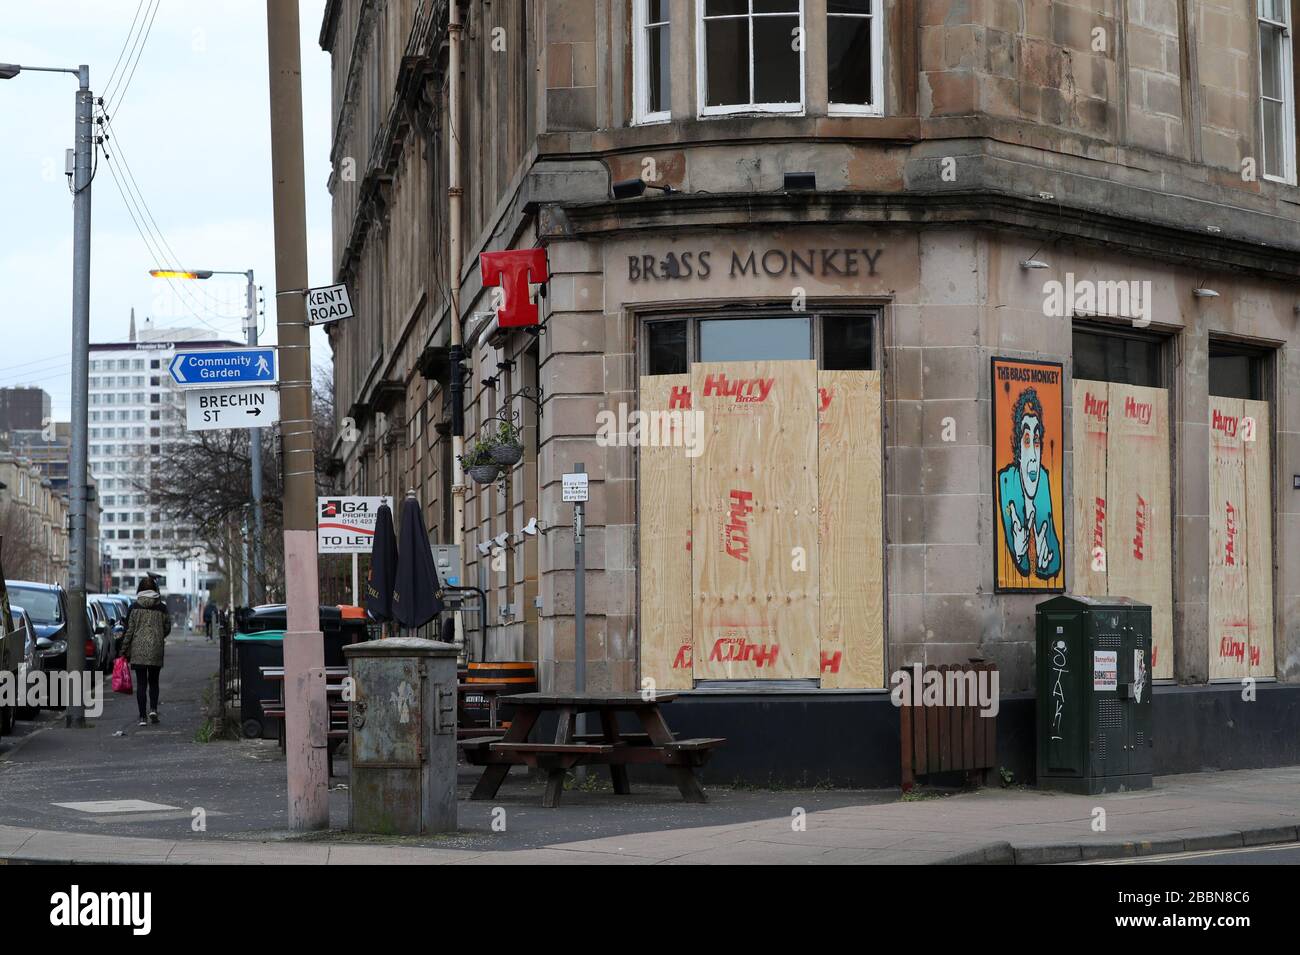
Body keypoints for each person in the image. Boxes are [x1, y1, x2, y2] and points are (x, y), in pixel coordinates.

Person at [120, 578, 172, 727]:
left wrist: (123, 650)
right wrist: (159, 635)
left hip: (138, 650)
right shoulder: (162, 607)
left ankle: (142, 717)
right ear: (155, 589)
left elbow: (129, 631)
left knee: (141, 684)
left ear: (139, 589)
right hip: (156, 649)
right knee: (154, 681)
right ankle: (153, 709)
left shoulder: (134, 607)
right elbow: (167, 627)